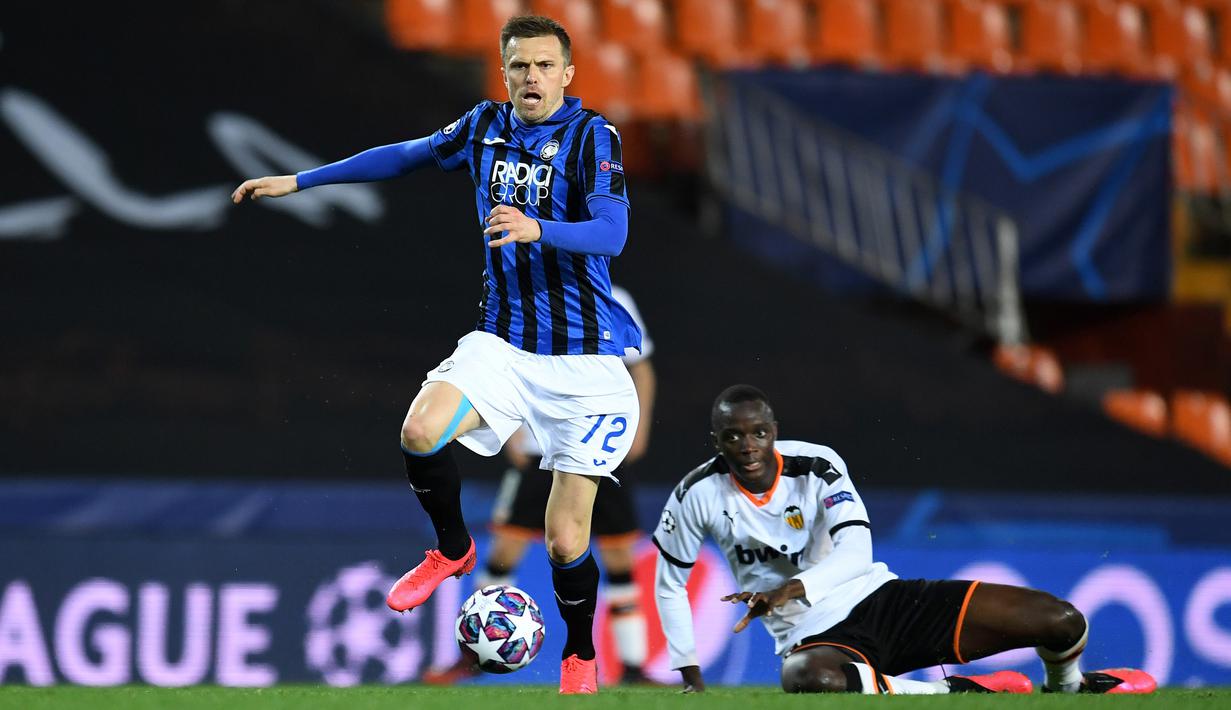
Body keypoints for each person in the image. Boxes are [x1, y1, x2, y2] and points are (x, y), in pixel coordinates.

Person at [231, 15, 638, 695]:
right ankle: (452, 550)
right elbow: (405, 155)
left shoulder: (593, 138)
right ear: (503, 73)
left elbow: (613, 232)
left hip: (587, 364)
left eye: (543, 66)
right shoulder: (483, 125)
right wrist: (300, 181)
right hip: (504, 344)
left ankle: (578, 653)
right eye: (518, 66)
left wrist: (537, 226)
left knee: (566, 540)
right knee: (420, 429)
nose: (530, 78)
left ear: (567, 74)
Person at [652, 384, 1157, 695]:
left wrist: (788, 589)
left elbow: (857, 553)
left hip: (885, 601)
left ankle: (1067, 690)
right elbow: (670, 584)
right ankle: (960, 692)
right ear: (716, 441)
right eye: (733, 437)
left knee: (1062, 621)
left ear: (774, 431)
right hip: (817, 640)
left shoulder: (817, 465)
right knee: (807, 679)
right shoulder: (696, 492)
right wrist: (690, 675)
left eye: (757, 433)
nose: (747, 447)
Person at [422, 285, 656, 685]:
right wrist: (508, 429)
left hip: (596, 442)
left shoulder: (612, 296)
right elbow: (495, 368)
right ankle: (471, 657)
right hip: (535, 449)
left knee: (618, 558)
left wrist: (642, 426)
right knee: (503, 552)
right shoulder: (519, 289)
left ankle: (632, 666)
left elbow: (642, 365)